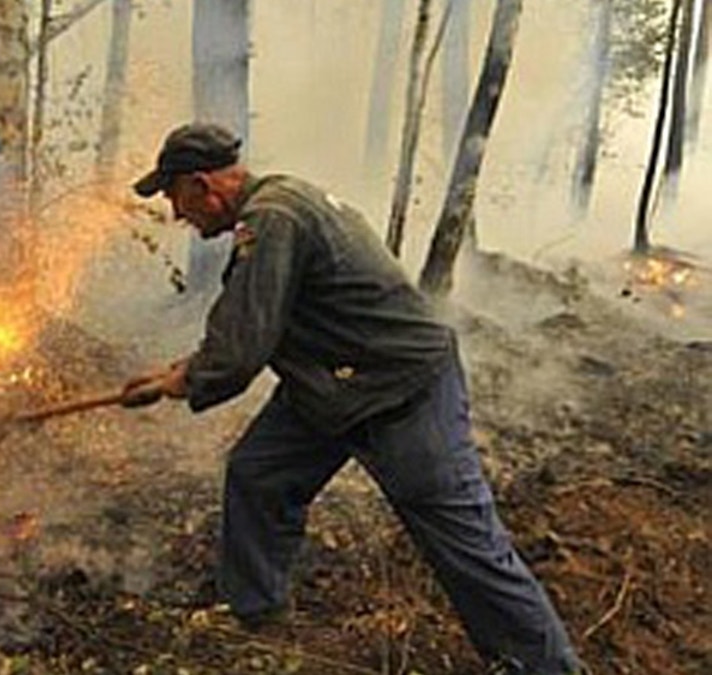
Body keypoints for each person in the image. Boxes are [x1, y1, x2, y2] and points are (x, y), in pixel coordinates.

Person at [121, 122, 581, 674]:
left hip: (400, 389)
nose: (177, 215)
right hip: (333, 385)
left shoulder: (273, 220)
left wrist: (186, 382)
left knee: (465, 544)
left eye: (175, 198)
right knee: (260, 473)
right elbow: (256, 320)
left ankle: (548, 667)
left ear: (201, 185)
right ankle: (257, 618)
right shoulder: (279, 204)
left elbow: (243, 347)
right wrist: (183, 369)